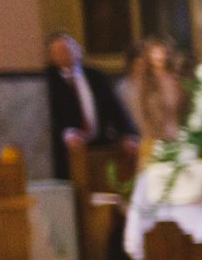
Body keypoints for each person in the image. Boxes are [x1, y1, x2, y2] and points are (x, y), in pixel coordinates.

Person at [42, 30, 136, 179]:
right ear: (51, 56)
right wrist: (67, 134)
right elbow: (48, 116)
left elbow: (115, 108)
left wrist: (126, 134)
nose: (66, 54)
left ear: (78, 49)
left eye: (69, 48)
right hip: (68, 154)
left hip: (99, 146)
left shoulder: (95, 76)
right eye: (59, 51)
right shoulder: (47, 81)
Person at [119, 36, 188, 153]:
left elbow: (180, 112)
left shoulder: (174, 81)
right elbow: (139, 115)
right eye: (154, 52)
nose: (158, 56)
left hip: (175, 138)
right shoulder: (141, 84)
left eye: (161, 52)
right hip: (151, 141)